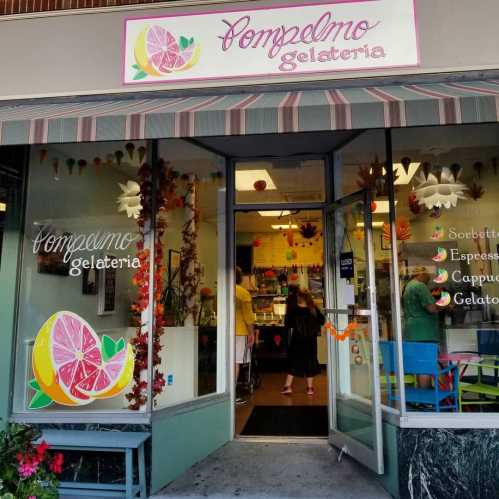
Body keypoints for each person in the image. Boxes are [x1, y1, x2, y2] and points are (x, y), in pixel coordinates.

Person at [281, 288, 325, 396]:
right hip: (311, 341)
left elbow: (288, 324)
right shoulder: (313, 309)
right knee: (310, 362)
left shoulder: (294, 310)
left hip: (297, 340)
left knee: (293, 362)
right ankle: (310, 389)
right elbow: (322, 321)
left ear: (299, 298)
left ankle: (288, 387)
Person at [402, 266, 440, 389]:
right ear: (421, 275)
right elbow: (431, 308)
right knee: (425, 366)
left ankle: (420, 398)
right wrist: (444, 306)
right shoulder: (420, 286)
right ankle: (426, 398)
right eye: (427, 276)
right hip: (424, 332)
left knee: (419, 365)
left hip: (412, 332)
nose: (428, 279)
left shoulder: (407, 287)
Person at [235, 267, 255, 404]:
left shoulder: (223, 290)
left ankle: (224, 393)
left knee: (227, 362)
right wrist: (252, 332)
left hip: (226, 332)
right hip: (240, 332)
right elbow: (248, 316)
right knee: (236, 363)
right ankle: (232, 394)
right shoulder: (243, 293)